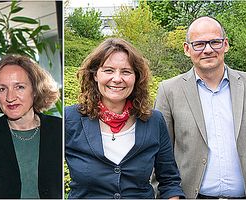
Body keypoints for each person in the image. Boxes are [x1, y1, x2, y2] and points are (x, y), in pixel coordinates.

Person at [154, 16, 246, 198]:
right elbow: (160, 155)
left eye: (215, 42)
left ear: (226, 45)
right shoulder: (169, 90)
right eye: (199, 44)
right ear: (187, 49)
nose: (208, 50)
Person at [65, 38, 184, 199]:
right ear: (95, 75)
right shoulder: (69, 120)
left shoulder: (153, 121)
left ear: (136, 78)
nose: (117, 78)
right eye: (108, 70)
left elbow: (169, 181)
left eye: (126, 72)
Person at [0, 54, 62, 198]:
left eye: (19, 87)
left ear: (36, 89)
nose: (10, 97)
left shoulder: (60, 130)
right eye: (2, 89)